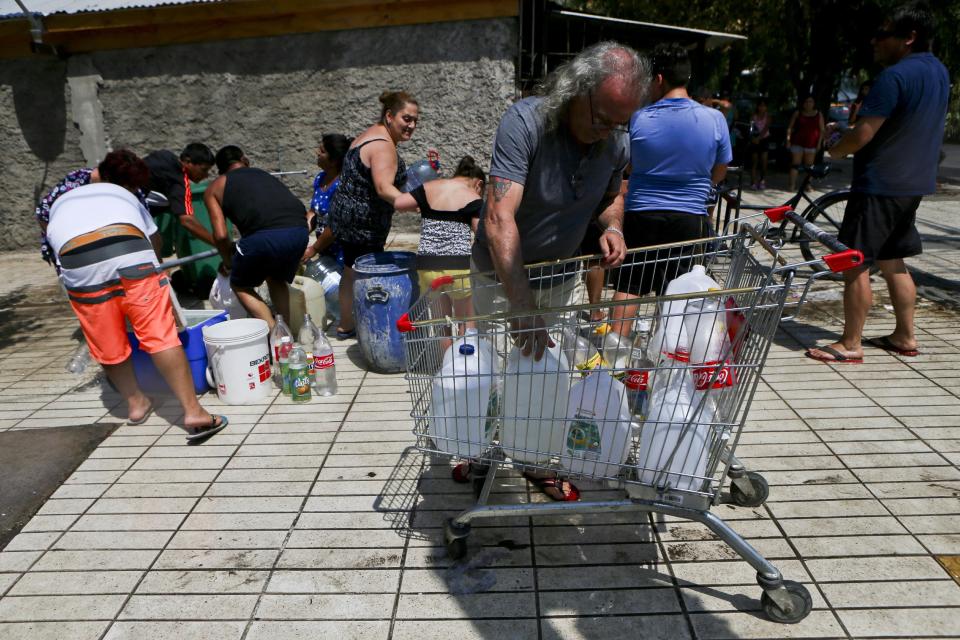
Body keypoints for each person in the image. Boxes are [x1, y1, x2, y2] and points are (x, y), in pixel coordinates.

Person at [471, 41, 647, 501]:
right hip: (501, 277)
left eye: (619, 122)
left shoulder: (615, 140)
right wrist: (521, 303)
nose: (609, 130)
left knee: (549, 375)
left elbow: (613, 195)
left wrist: (612, 227)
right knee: (492, 371)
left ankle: (533, 457)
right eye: (602, 118)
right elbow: (497, 217)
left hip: (562, 276)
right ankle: (478, 448)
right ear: (576, 91)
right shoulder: (525, 122)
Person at [45, 150, 228, 441]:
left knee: (106, 341)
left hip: (75, 261)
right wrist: (151, 272)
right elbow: (153, 239)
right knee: (160, 336)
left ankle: (135, 404)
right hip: (129, 251)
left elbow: (51, 238)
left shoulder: (62, 197)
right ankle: (193, 411)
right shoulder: (127, 195)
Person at [806, 1, 948, 364]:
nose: (874, 41)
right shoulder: (938, 73)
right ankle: (905, 335)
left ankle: (850, 343)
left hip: (879, 184)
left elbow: (864, 134)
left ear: (909, 38)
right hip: (913, 184)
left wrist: (836, 148)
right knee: (893, 261)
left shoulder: (894, 76)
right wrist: (849, 132)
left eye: (883, 34)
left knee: (853, 262)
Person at [592, 43, 731, 336]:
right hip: (690, 217)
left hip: (642, 213)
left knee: (630, 286)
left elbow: (628, 166)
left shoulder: (640, 118)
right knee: (678, 291)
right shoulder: (714, 119)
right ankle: (669, 357)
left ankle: (615, 355)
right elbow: (719, 171)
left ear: (658, 80)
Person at [328, 91, 418, 339]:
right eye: (406, 118)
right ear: (389, 116)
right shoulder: (384, 147)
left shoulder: (370, 134)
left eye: (415, 121)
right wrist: (412, 202)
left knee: (350, 270)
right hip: (364, 224)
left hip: (346, 217)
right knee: (364, 276)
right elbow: (383, 187)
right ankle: (372, 326)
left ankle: (346, 324)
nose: (411, 125)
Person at [204, 145, 310, 329]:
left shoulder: (215, 187)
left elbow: (221, 236)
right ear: (244, 160)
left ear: (220, 170)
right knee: (276, 278)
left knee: (240, 284)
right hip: (299, 231)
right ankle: (286, 332)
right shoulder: (263, 174)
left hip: (263, 237)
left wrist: (229, 264)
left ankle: (276, 335)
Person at [394, 155, 486, 328]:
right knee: (465, 323)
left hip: (427, 266)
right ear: (479, 184)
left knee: (441, 323)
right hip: (458, 268)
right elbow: (480, 233)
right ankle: (463, 354)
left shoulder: (430, 186)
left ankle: (445, 356)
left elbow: (399, 203)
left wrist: (422, 204)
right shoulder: (473, 197)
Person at [35, 160, 149, 268]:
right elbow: (42, 213)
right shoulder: (75, 181)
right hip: (73, 250)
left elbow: (148, 229)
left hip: (116, 249)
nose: (134, 190)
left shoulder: (133, 192)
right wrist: (61, 244)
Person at [143, 143, 217, 247]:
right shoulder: (180, 182)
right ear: (187, 162)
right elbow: (187, 221)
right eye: (204, 170)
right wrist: (218, 244)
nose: (206, 175)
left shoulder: (164, 155)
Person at [302, 133, 352, 266]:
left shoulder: (343, 185)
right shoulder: (320, 178)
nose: (317, 153)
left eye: (322, 151)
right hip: (325, 251)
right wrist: (300, 234)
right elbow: (313, 212)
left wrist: (314, 249)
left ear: (334, 160)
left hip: (342, 254)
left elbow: (336, 225)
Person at [786, 96, 825, 191]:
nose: (808, 103)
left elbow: (822, 130)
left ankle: (807, 185)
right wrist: (788, 140)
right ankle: (792, 185)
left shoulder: (818, 114)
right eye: (806, 101)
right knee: (795, 164)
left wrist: (819, 143)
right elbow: (790, 128)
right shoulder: (797, 113)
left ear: (814, 103)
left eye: (810, 101)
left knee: (809, 166)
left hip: (812, 143)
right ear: (803, 103)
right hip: (797, 142)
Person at [749, 99, 772, 190]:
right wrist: (753, 138)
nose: (762, 108)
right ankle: (753, 181)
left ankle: (762, 180)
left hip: (764, 139)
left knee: (764, 161)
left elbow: (766, 128)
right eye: (760, 105)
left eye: (764, 106)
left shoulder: (768, 117)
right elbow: (750, 128)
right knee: (754, 161)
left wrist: (759, 138)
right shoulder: (753, 116)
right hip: (754, 140)